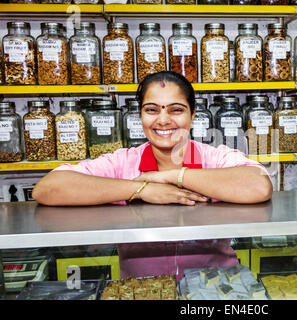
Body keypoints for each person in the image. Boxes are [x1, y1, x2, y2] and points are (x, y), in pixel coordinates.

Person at [32, 71, 273, 279]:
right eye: (151, 110)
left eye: (176, 110)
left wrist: (173, 176)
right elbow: (48, 189)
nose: (163, 120)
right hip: (146, 288)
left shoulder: (215, 157)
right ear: (140, 115)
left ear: (193, 114)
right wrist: (141, 189)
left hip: (215, 288)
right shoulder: (123, 162)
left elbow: (258, 187)